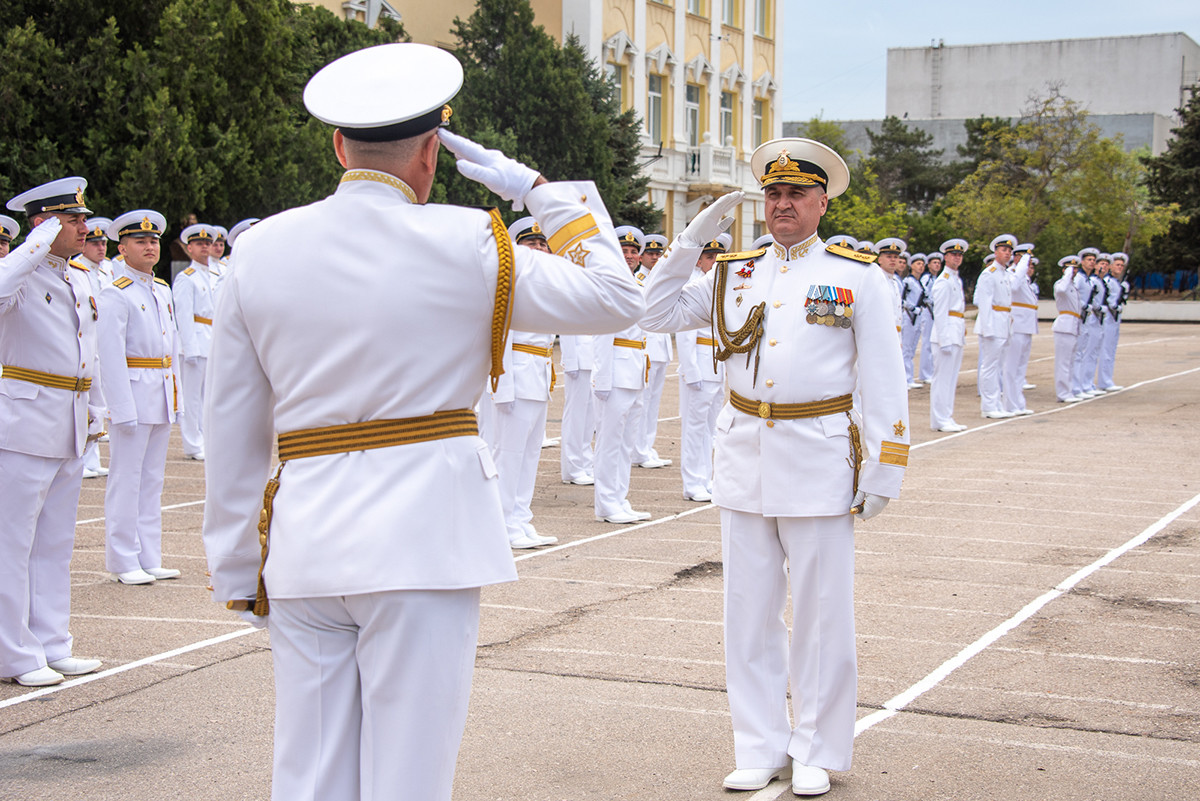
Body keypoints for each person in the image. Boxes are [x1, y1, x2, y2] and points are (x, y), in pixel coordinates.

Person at [201, 43, 643, 801]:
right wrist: (537, 190)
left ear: (339, 145)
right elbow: (616, 297)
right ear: (433, 151)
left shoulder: (258, 248)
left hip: (304, 542)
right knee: (409, 775)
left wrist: (238, 565)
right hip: (425, 540)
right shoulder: (471, 240)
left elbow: (233, 425)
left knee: (308, 773)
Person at [642, 137, 909, 797]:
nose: (783, 204)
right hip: (743, 456)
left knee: (822, 612)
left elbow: (885, 376)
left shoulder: (857, 274)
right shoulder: (733, 270)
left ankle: (817, 745)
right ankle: (759, 743)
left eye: (796, 194)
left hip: (819, 455)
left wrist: (885, 466)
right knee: (749, 611)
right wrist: (695, 236)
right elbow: (650, 310)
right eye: (773, 193)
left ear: (822, 202)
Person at [1, 177, 104, 687]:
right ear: (43, 225)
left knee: (55, 543)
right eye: (73, 219)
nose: (85, 228)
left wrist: (96, 410)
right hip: (22, 423)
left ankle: (50, 642)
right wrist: (33, 244)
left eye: (83, 218)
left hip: (69, 419)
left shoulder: (78, 277)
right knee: (11, 544)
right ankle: (13, 653)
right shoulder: (17, 276)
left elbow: (90, 351)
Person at [97, 210, 185, 585]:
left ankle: (150, 555)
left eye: (153, 241)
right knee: (126, 479)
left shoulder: (162, 289)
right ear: (123, 248)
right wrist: (120, 408)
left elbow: (173, 348)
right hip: (134, 394)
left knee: (152, 482)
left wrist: (177, 399)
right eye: (140, 242)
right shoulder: (115, 293)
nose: (149, 247)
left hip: (161, 394)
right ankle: (122, 559)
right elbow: (111, 356)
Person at [487, 217, 559, 549]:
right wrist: (502, 387)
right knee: (508, 454)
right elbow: (500, 337)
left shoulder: (543, 284)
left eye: (543, 243)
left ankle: (521, 518)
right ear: (515, 247)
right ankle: (502, 524)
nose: (539, 249)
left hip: (539, 373)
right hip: (516, 375)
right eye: (531, 243)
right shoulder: (508, 283)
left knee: (529, 453)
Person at [592, 225, 652, 524]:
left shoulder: (637, 283)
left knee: (627, 440)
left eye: (633, 252)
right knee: (610, 440)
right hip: (616, 371)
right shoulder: (609, 282)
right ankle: (605, 503)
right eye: (624, 251)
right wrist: (601, 379)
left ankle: (619, 497)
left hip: (635, 368)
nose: (629, 256)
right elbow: (602, 333)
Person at [675, 233, 730, 502]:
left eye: (720, 256)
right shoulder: (695, 286)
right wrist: (691, 370)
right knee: (695, 429)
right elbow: (685, 336)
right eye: (710, 257)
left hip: (717, 366)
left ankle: (707, 478)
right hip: (700, 366)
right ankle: (692, 482)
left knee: (712, 428)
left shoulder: (723, 287)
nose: (716, 261)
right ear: (699, 260)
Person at [172, 223, 216, 460]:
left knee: (206, 397)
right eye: (199, 244)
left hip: (210, 340)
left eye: (207, 243)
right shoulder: (186, 278)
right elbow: (184, 315)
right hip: (195, 342)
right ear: (189, 248)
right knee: (191, 397)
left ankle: (204, 439)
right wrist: (189, 348)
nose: (205, 248)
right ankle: (192, 443)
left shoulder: (213, 276)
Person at [77, 216, 116, 479]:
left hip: (105, 338)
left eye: (103, 243)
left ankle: (93, 459)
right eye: (94, 243)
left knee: (99, 401)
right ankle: (84, 459)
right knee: (86, 399)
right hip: (87, 338)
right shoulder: (77, 269)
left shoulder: (107, 270)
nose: (100, 248)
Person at [632, 233, 673, 469]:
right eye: (651, 254)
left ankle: (647, 446)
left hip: (661, 348)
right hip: (647, 349)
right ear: (642, 256)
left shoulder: (659, 279)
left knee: (653, 403)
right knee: (643, 403)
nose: (655, 258)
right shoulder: (640, 280)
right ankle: (639, 450)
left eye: (658, 254)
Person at [929, 239, 969, 432]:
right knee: (942, 379)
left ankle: (946, 416)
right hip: (946, 335)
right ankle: (939, 418)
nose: (957, 258)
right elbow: (941, 312)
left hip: (956, 332)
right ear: (945, 257)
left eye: (960, 255)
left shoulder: (955, 279)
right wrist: (944, 340)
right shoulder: (943, 281)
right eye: (953, 254)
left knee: (951, 379)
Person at [974, 234, 1015, 418]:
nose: (1007, 253)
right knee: (989, 366)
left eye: (1009, 251)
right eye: (1003, 250)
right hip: (992, 324)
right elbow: (984, 303)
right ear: (996, 252)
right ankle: (988, 406)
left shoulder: (1005, 274)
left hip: (1004, 323)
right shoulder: (988, 273)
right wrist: (988, 328)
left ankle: (996, 404)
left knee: (998, 366)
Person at [1003, 251, 1037, 415]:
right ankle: (1009, 403)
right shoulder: (1011, 274)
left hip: (1027, 325)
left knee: (1020, 368)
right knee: (1011, 366)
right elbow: (1014, 287)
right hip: (1017, 324)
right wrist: (1021, 264)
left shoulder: (1024, 278)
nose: (1029, 266)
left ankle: (1018, 402)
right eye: (1026, 261)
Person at [1071, 247, 1104, 398]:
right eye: (1089, 260)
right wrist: (1084, 305)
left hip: (1086, 317)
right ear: (1082, 262)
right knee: (1077, 353)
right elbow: (1073, 295)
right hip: (1078, 317)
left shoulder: (1088, 279)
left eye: (1093, 260)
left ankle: (1083, 385)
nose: (1091, 263)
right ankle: (1076, 387)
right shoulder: (1078, 278)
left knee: (1083, 352)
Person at [1052, 255, 1083, 402]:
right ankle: (1062, 393)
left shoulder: (1073, 287)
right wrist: (1067, 274)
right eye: (1071, 268)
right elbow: (1061, 290)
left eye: (1076, 268)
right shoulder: (1061, 284)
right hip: (1064, 325)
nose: (1074, 271)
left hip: (1073, 325)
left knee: (1070, 362)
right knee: (1063, 362)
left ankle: (1068, 391)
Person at [1097, 252, 1128, 391]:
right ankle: (1104, 381)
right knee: (1105, 351)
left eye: (1122, 265)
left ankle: (1107, 379)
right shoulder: (1107, 281)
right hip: (1106, 320)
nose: (1120, 268)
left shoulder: (1117, 282)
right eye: (1117, 265)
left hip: (1114, 320)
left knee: (1111, 350)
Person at [900, 253, 926, 388]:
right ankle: (906, 378)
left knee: (912, 348)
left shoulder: (919, 282)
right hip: (909, 316)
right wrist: (912, 308)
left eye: (922, 264)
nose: (921, 267)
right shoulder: (907, 281)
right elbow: (902, 299)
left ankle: (909, 377)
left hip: (918, 317)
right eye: (918, 264)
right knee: (906, 348)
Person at [918, 251, 941, 384]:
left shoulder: (936, 278)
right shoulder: (926, 278)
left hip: (935, 312)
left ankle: (931, 371)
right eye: (934, 263)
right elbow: (924, 294)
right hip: (928, 311)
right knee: (927, 343)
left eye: (938, 263)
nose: (937, 265)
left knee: (933, 343)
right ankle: (925, 373)